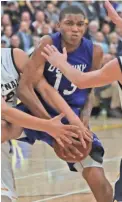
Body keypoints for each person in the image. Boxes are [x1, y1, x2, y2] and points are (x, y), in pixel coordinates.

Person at [17, 6, 113, 202]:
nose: (75, 29)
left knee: (97, 177)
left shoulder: (94, 51)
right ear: (58, 25)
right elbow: (24, 89)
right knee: (4, 128)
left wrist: (84, 120)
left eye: (80, 24)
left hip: (72, 119)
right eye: (69, 23)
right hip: (37, 111)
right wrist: (50, 125)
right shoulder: (47, 44)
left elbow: (89, 92)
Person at [41, 1, 122, 202]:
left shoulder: (112, 60)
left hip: (68, 111)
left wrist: (60, 63)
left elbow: (82, 81)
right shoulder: (48, 42)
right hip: (41, 110)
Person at [1, 48, 82, 202]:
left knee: (6, 198)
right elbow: (5, 111)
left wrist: (75, 122)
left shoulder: (13, 56)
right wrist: (49, 126)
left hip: (4, 136)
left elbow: (43, 87)